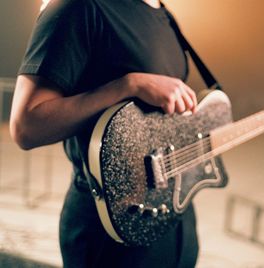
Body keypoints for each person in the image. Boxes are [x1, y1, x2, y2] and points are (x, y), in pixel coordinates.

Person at [10, 0, 200, 267]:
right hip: (110, 227)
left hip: (176, 216)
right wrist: (129, 84)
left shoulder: (163, 13)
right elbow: (26, 126)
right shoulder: (79, 7)